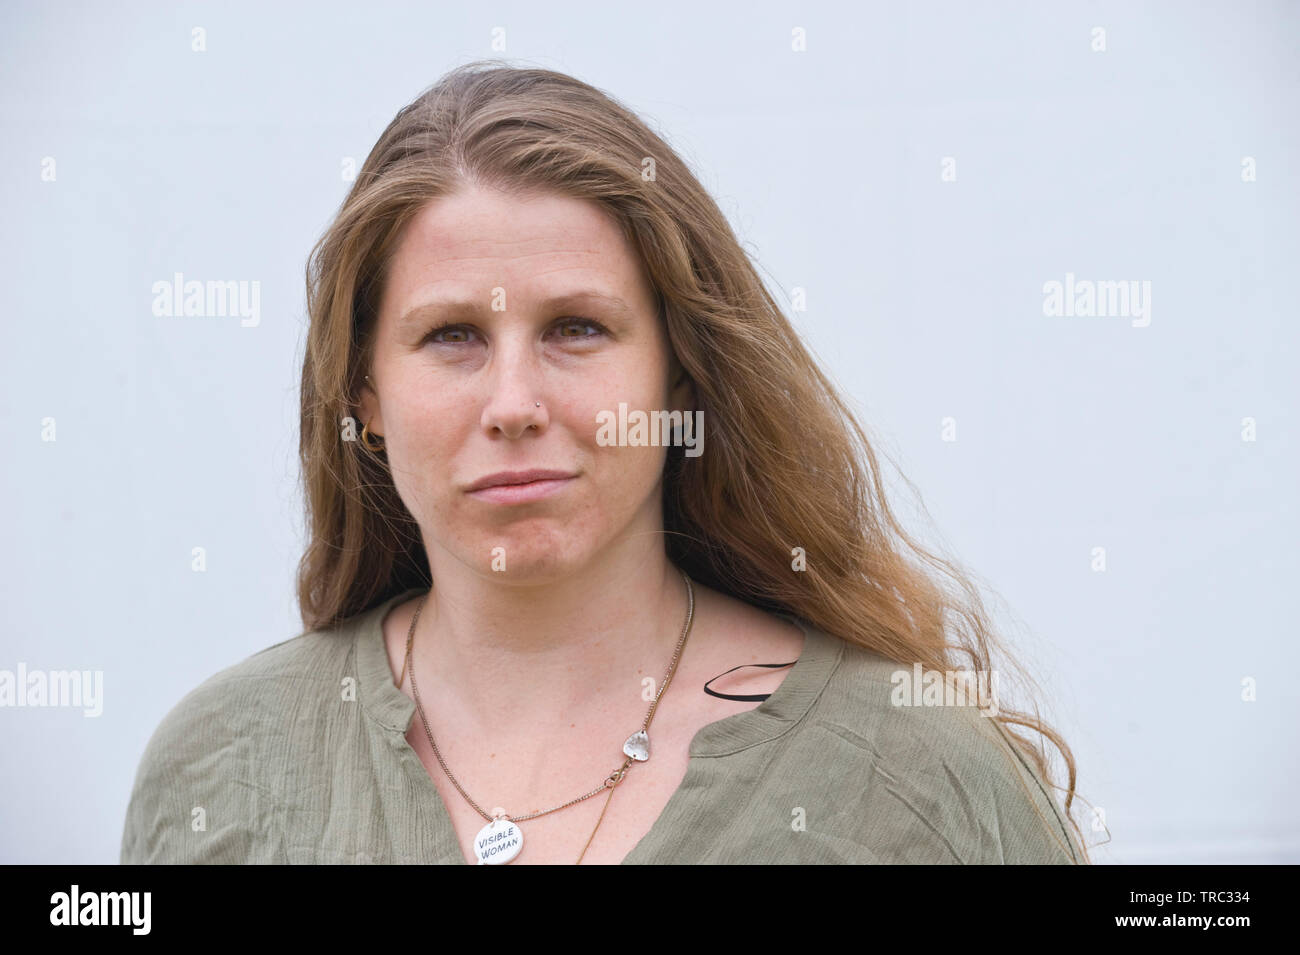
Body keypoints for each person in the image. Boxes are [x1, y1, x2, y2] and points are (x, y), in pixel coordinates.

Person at [120, 60, 1090, 865]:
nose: (513, 404)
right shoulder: (222, 768)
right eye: (452, 335)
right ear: (363, 397)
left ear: (679, 379)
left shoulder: (915, 780)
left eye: (576, 328)